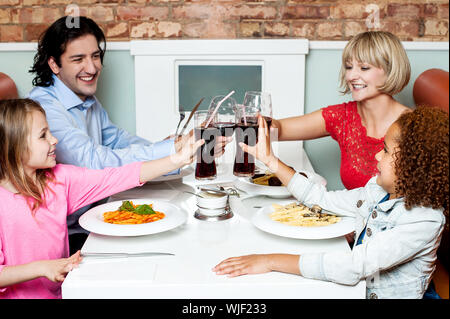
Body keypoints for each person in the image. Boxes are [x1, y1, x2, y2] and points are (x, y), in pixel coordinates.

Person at [27, 16, 225, 253]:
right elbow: (93, 162)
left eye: (96, 56)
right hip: (69, 235)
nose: (91, 68)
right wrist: (173, 153)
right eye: (78, 59)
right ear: (54, 65)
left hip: (99, 211)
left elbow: (116, 139)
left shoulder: (83, 96)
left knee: (183, 228)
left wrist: (169, 146)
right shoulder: (44, 109)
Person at [213, 106, 448, 299]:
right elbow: (322, 199)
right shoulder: (377, 190)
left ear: (414, 167)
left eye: (386, 151)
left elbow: (355, 266)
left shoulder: (424, 219)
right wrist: (270, 160)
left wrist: (270, 261)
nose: (377, 155)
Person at [0, 98, 203, 299]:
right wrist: (43, 267)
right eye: (43, 136)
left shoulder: (60, 179)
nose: (54, 140)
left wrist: (176, 159)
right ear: (14, 147)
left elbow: (115, 176)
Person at [270, 31, 411, 190]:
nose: (351, 76)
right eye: (349, 67)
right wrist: (256, 123)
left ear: (391, 70)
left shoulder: (413, 126)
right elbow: (279, 130)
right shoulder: (343, 117)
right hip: (350, 213)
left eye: (364, 68)